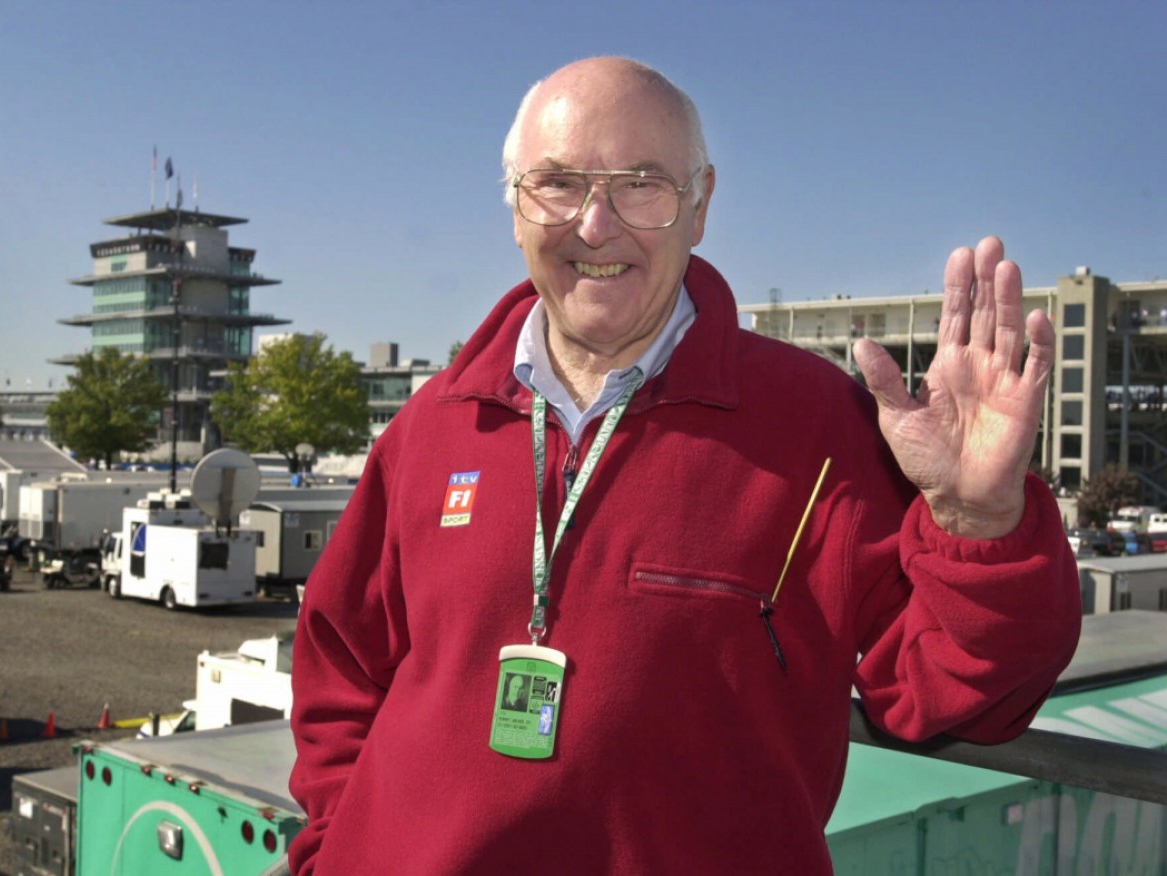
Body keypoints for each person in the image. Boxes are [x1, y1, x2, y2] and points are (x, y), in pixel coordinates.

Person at [287, 57, 1081, 874]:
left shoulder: (820, 429)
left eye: (641, 184)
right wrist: (334, 849)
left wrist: (979, 520)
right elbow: (339, 669)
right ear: (514, 210)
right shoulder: (432, 426)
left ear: (699, 206)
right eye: (556, 183)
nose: (595, 225)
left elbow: (955, 695)